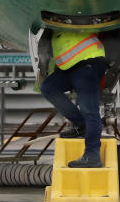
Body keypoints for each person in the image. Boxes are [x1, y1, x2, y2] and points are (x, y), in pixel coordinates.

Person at [40, 30, 107, 168]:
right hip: (70, 67)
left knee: (89, 110)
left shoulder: (64, 19)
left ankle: (92, 155)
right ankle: (81, 124)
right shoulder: (50, 29)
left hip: (88, 61)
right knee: (48, 88)